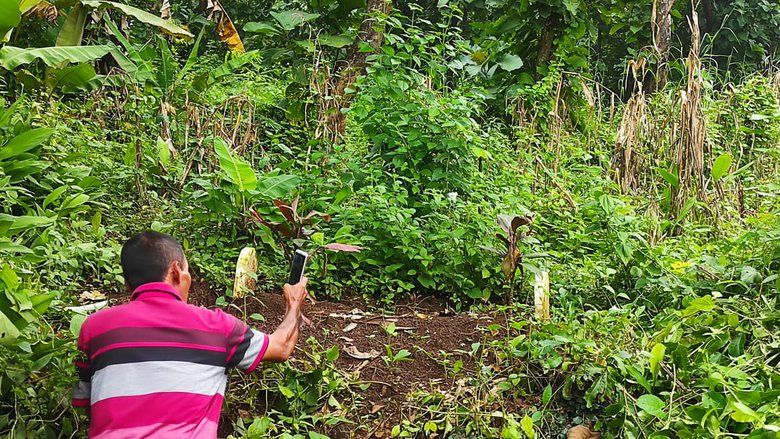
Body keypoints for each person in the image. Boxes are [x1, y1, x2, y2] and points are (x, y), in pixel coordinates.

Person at [72, 231, 309, 438]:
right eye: (187, 270)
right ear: (176, 272)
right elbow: (281, 347)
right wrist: (294, 303)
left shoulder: (93, 329)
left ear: (127, 284)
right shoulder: (216, 326)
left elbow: (87, 405)